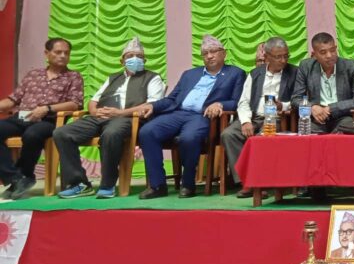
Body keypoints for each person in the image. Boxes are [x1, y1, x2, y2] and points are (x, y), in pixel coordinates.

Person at [54, 37, 165, 199]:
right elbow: (93, 101)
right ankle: (79, 184)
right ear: (122, 61)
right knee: (62, 133)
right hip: (100, 117)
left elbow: (151, 105)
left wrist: (120, 113)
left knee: (111, 134)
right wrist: (94, 112)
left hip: (127, 118)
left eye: (139, 56)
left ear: (145, 60)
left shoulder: (152, 77)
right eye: (130, 56)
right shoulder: (112, 78)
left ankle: (107, 184)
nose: (135, 59)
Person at [137, 35, 244, 199]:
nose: (209, 56)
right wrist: (152, 106)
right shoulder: (190, 74)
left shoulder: (235, 73)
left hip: (202, 116)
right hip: (178, 113)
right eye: (205, 53)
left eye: (213, 51)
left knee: (189, 137)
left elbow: (237, 101)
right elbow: (171, 99)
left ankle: (188, 184)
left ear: (224, 53)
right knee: (147, 131)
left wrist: (220, 104)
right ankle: (157, 185)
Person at [0, 38, 84, 200]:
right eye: (58, 52)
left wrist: (47, 108)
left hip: (48, 120)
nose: (63, 56)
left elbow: (75, 103)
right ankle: (15, 178)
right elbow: (13, 100)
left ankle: (25, 174)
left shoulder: (73, 76)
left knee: (32, 134)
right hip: (21, 117)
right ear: (47, 53)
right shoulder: (33, 74)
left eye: (66, 53)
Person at [221, 37, 298, 198]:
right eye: (278, 57)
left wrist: (282, 106)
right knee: (229, 134)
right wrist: (246, 121)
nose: (283, 60)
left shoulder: (294, 73)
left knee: (262, 138)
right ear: (267, 56)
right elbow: (243, 101)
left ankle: (260, 183)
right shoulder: (255, 73)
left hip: (277, 118)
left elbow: (299, 100)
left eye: (286, 56)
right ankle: (246, 182)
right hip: (254, 116)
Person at [290, 32, 354, 134]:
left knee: (349, 129)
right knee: (307, 132)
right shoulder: (306, 67)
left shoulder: (352, 67)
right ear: (314, 55)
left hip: (342, 116)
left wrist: (332, 108)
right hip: (317, 117)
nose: (329, 55)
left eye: (332, 50)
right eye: (323, 52)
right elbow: (296, 99)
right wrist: (312, 107)